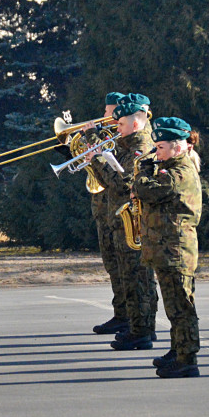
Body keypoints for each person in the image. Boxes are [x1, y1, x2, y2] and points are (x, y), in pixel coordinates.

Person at [132, 117, 202, 378]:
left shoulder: (179, 172)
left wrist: (140, 177)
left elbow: (150, 191)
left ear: (178, 146)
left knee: (181, 306)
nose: (156, 151)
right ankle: (178, 349)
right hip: (165, 248)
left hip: (175, 249)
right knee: (173, 306)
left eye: (160, 147)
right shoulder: (170, 167)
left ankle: (187, 359)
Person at [88, 94, 158, 350]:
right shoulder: (131, 146)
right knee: (136, 278)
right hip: (124, 222)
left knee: (137, 279)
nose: (115, 127)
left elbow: (120, 183)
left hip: (133, 224)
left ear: (135, 124)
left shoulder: (139, 149)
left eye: (120, 124)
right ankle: (142, 329)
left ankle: (140, 330)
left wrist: (95, 158)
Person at [89, 92, 129, 335]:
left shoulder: (123, 141)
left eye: (109, 112)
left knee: (126, 269)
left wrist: (93, 142)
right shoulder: (109, 136)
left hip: (118, 211)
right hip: (103, 210)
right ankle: (121, 314)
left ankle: (130, 318)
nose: (104, 116)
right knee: (113, 267)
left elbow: (117, 176)